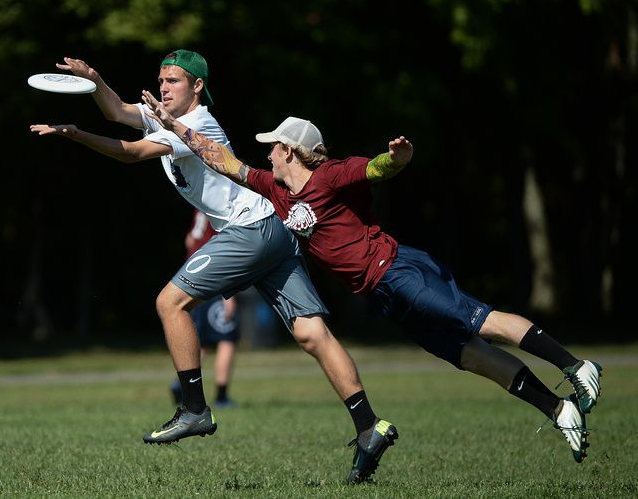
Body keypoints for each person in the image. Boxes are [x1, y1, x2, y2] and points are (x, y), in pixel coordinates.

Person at [141, 95, 603, 464]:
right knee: (471, 356)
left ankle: (576, 366)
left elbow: (378, 168)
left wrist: (399, 158)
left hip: (400, 272)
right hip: (384, 296)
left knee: (478, 321)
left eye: (274, 147)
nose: (267, 153)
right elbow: (222, 160)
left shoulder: (333, 174)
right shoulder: (274, 188)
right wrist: (174, 123)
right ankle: (559, 409)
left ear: (292, 151)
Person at [30, 50, 397, 484]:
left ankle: (194, 409)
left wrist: (76, 136)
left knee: (170, 303)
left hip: (251, 229)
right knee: (311, 332)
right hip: (275, 229)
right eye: (161, 80)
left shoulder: (197, 125)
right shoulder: (163, 116)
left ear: (197, 87)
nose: (164, 88)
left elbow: (130, 153)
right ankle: (369, 426)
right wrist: (94, 79)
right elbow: (117, 111)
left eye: (174, 81)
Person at [170, 209, 240, 408]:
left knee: (201, 341)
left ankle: (181, 383)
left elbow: (190, 240)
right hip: (212, 275)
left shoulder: (199, 204)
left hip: (190, 276)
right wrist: (229, 294)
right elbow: (225, 248)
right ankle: (221, 396)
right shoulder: (222, 205)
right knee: (227, 338)